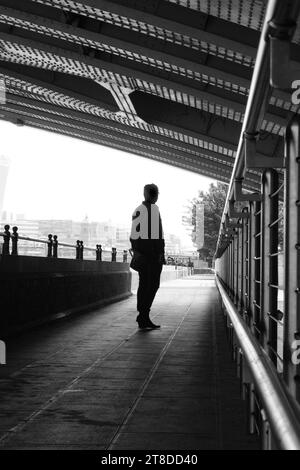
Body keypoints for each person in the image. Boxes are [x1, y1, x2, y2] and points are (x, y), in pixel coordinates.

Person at [130, 184, 165, 329]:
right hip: (152, 257)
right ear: (155, 195)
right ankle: (143, 316)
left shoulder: (138, 210)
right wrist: (160, 253)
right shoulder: (153, 211)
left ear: (145, 194)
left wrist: (137, 250)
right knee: (152, 285)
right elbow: (157, 236)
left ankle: (143, 316)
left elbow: (134, 235)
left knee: (144, 285)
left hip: (143, 256)